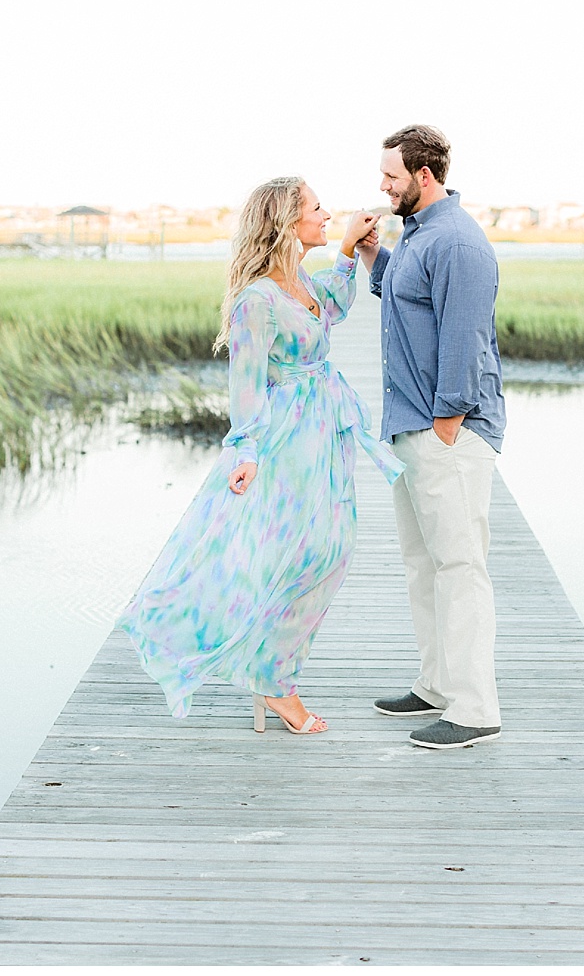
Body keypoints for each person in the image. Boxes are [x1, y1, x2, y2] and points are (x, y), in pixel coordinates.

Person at [119, 177, 401, 734]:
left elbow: (333, 311)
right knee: (297, 552)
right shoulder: (257, 300)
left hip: (325, 433)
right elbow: (245, 385)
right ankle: (274, 679)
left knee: (332, 547)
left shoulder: (299, 282)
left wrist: (347, 251)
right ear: (287, 223)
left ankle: (269, 668)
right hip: (287, 440)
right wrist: (244, 450)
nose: (327, 215)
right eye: (317, 209)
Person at [360, 124, 506, 750]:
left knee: (459, 566)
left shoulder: (459, 242)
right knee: (425, 564)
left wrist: (448, 420)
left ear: (424, 176)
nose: (382, 186)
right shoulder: (418, 236)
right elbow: (406, 298)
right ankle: (436, 685)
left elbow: (465, 337)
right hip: (411, 427)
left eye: (391, 176)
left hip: (447, 431)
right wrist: (373, 256)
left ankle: (473, 710)